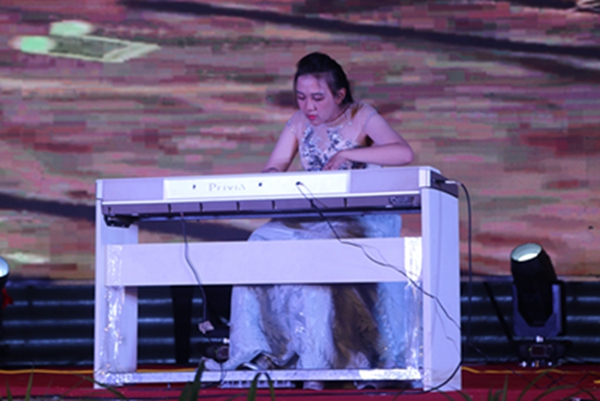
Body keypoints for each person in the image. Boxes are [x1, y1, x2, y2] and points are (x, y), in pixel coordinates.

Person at [205, 52, 416, 390]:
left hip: (361, 216)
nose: (309, 106)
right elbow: (275, 164)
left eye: (317, 98)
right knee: (260, 241)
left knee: (317, 250)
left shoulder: (362, 115)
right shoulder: (298, 123)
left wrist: (348, 153)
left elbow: (403, 153)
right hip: (316, 215)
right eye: (301, 97)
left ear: (339, 95)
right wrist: (272, 174)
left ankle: (320, 362)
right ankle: (260, 351)